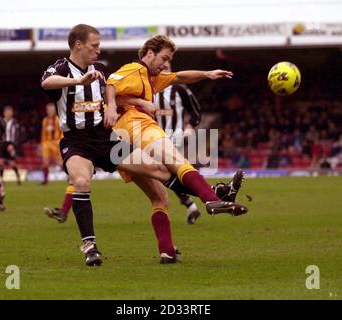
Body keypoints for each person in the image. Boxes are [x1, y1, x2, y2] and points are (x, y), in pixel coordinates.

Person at [42, 25, 247, 266]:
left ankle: (206, 204)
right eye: (94, 45)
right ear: (78, 44)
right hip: (85, 139)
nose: (99, 49)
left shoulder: (103, 70)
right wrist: (80, 81)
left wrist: (207, 73)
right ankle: (90, 246)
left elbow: (116, 88)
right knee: (82, 181)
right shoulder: (66, 68)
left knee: (160, 179)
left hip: (106, 139)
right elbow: (47, 83)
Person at [105, 35, 248, 260]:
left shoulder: (152, 78)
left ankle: (167, 251)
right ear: (149, 53)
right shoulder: (133, 69)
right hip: (135, 126)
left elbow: (180, 76)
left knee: (160, 197)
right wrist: (128, 104)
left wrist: (208, 74)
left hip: (117, 144)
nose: (165, 64)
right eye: (164, 58)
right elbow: (110, 84)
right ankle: (212, 198)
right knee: (177, 161)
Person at [153, 63, 202, 224]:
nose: (163, 69)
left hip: (176, 136)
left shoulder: (179, 88)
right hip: (154, 138)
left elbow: (195, 110)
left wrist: (189, 127)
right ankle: (193, 204)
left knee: (165, 173)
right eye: (161, 67)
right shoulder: (149, 87)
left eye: (166, 66)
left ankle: (195, 201)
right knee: (165, 175)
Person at [0, 105, 21, 185]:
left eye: (10, 112)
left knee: (12, 163)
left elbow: (17, 135)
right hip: (2, 144)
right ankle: (1, 179)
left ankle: (18, 177)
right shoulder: (0, 121)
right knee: (0, 162)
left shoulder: (15, 122)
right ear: (4, 113)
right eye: (7, 112)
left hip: (10, 144)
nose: (9, 114)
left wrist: (13, 145)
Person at [40, 102, 62, 185]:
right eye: (49, 110)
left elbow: (62, 131)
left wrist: (61, 140)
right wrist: (42, 144)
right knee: (45, 162)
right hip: (47, 143)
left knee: (60, 163)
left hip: (56, 142)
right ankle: (45, 180)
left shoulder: (58, 119)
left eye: (52, 110)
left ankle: (69, 177)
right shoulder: (45, 120)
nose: (51, 111)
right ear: (47, 111)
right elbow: (43, 133)